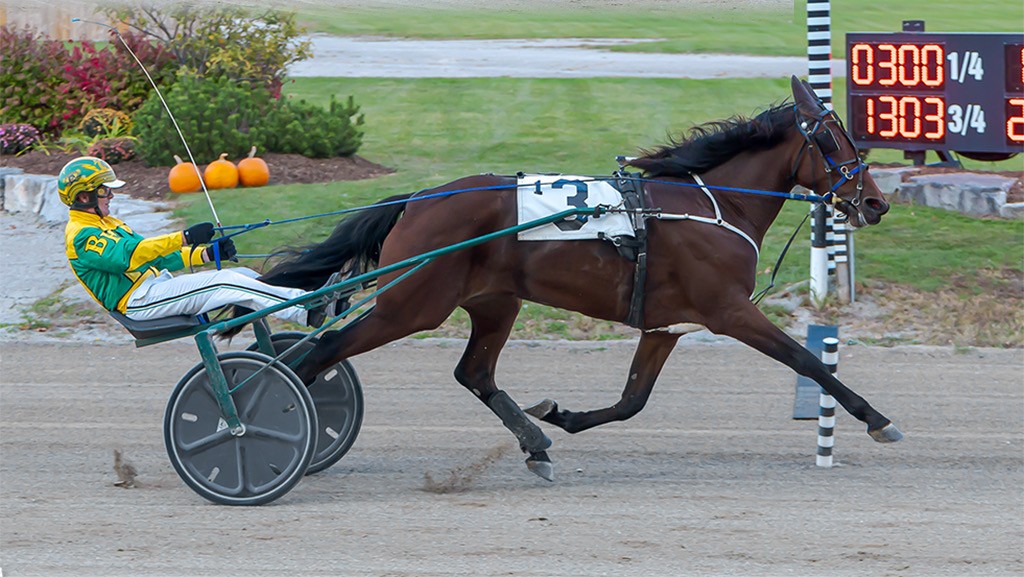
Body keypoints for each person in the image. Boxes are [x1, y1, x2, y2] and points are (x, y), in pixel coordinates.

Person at [58, 156, 339, 328]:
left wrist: (206, 253)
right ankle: (303, 311)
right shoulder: (81, 235)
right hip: (138, 302)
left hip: (156, 288)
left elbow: (157, 258)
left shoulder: (106, 223)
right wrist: (184, 237)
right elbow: (129, 257)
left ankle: (314, 301)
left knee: (242, 275)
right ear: (84, 197)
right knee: (225, 282)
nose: (111, 196)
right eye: (105, 191)